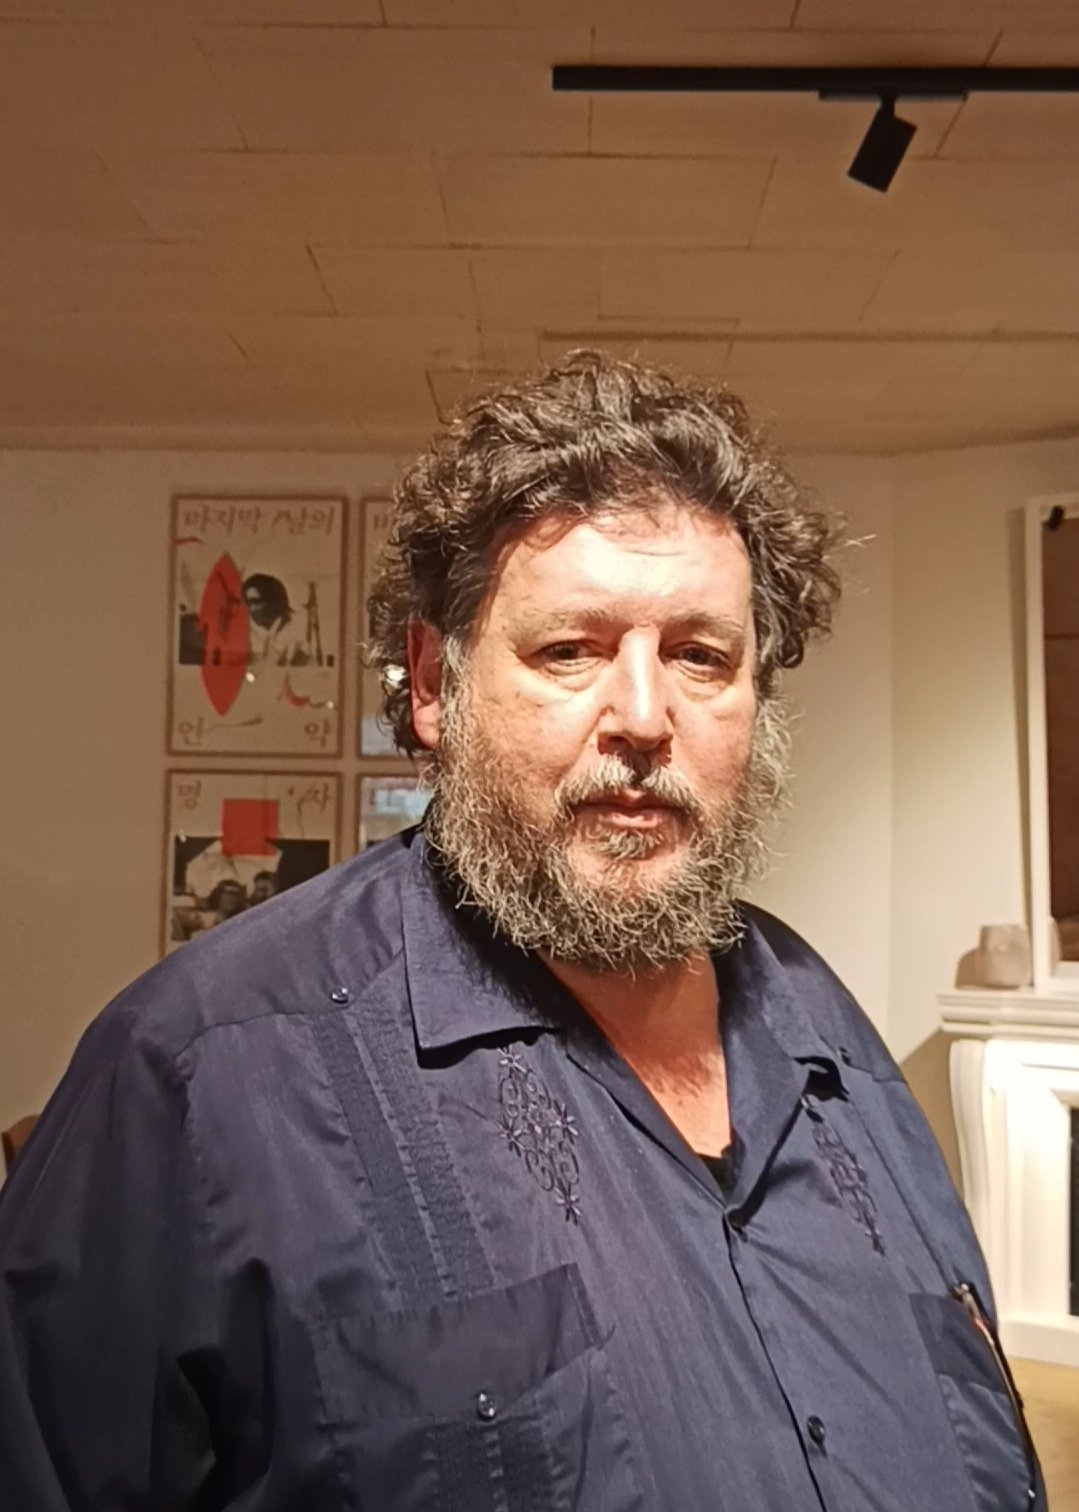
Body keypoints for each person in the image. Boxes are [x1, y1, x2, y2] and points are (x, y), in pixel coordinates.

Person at [0, 353, 1043, 1511]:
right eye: (568, 651)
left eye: (699, 656)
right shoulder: (198, 1075)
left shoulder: (824, 1029)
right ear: (433, 687)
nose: (642, 717)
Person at [242, 573, 310, 667]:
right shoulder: (247, 632)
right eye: (248, 602)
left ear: (272, 601)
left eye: (256, 602)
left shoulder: (294, 635)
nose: (251, 608)